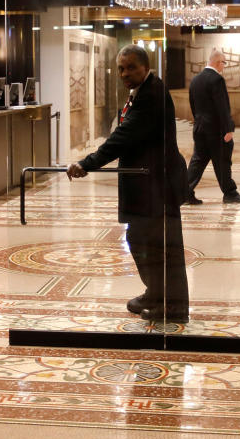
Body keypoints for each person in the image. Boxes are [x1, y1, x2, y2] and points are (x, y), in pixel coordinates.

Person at [66, 44, 190, 322]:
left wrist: (87, 163)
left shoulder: (151, 94)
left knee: (156, 243)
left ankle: (170, 304)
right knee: (143, 238)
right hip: (148, 182)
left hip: (156, 184)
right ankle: (157, 293)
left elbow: (123, 136)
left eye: (131, 67)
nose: (124, 73)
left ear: (145, 67)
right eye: (121, 68)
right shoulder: (144, 91)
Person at [184, 48, 240, 205]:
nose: (224, 66)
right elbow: (222, 107)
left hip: (200, 128)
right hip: (216, 131)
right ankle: (230, 194)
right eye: (224, 63)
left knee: (197, 162)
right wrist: (228, 129)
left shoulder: (195, 80)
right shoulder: (217, 80)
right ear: (218, 62)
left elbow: (193, 105)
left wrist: (200, 122)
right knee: (223, 162)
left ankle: (184, 193)